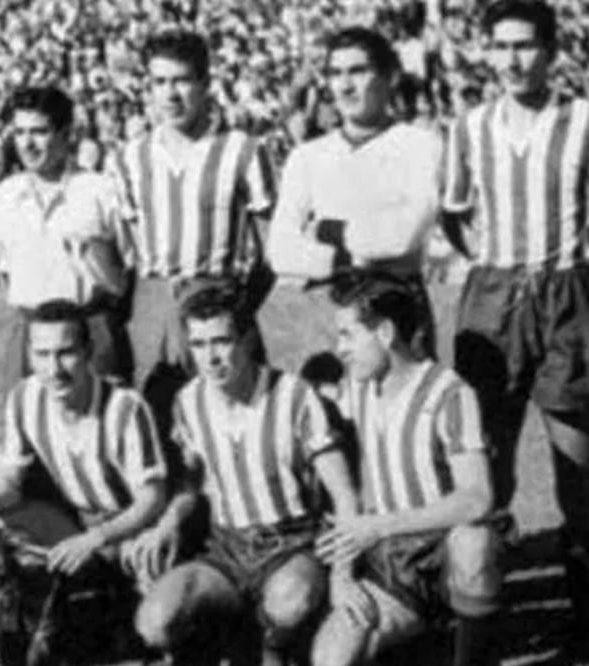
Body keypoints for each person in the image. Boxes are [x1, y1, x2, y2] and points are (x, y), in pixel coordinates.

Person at [442, 1, 589, 652]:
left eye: (525, 45)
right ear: (484, 52)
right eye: (499, 47)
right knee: (488, 466)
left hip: (568, 296)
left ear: (553, 50)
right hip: (494, 295)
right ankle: (485, 616)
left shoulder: (583, 119)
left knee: (577, 470)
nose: (511, 60)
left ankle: (584, 620)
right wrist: (493, 266)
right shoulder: (470, 126)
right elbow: (454, 214)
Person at [132, 286, 355, 666]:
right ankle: (229, 636)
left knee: (291, 599)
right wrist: (167, 523)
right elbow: (192, 482)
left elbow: (344, 492)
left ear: (248, 339)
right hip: (228, 547)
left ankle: (272, 646)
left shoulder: (293, 396)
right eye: (199, 344)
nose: (212, 358)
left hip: (292, 542)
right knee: (155, 621)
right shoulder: (188, 401)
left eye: (222, 341)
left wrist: (344, 574)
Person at [0, 300, 168, 665]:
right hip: (72, 522)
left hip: (122, 529)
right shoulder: (24, 397)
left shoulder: (124, 408)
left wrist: (96, 539)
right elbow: (11, 474)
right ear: (29, 354)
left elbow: (151, 498)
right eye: (42, 354)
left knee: (107, 619)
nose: (54, 369)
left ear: (87, 352)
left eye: (65, 353)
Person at [311, 273, 502, 666]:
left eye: (348, 335)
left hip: (443, 552)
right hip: (392, 565)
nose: (339, 349)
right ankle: (423, 639)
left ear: (384, 331)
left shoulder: (450, 394)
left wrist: (380, 526)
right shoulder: (357, 387)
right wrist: (342, 576)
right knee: (332, 657)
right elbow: (349, 486)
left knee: (474, 543)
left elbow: (477, 497)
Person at [107, 29, 276, 430]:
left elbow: (273, 251)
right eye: (159, 82)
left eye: (182, 80)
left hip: (222, 299)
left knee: (243, 426)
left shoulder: (243, 150)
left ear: (205, 83)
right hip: (156, 305)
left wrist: (239, 306)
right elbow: (124, 257)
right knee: (158, 430)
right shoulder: (129, 158)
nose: (171, 94)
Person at [267, 26, 440, 354]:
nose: (345, 85)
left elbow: (403, 236)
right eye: (336, 74)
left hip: (397, 305)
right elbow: (279, 249)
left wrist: (326, 232)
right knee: (328, 404)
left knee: (404, 402)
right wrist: (354, 255)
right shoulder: (307, 156)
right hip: (328, 308)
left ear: (389, 77)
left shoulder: (420, 145)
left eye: (358, 71)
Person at [0, 85, 133, 384]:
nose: (28, 144)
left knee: (103, 422)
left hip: (91, 330)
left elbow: (129, 269)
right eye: (20, 132)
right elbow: (1, 275)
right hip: (31, 333)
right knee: (34, 423)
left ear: (66, 134)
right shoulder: (1, 199)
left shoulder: (100, 191)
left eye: (39, 132)